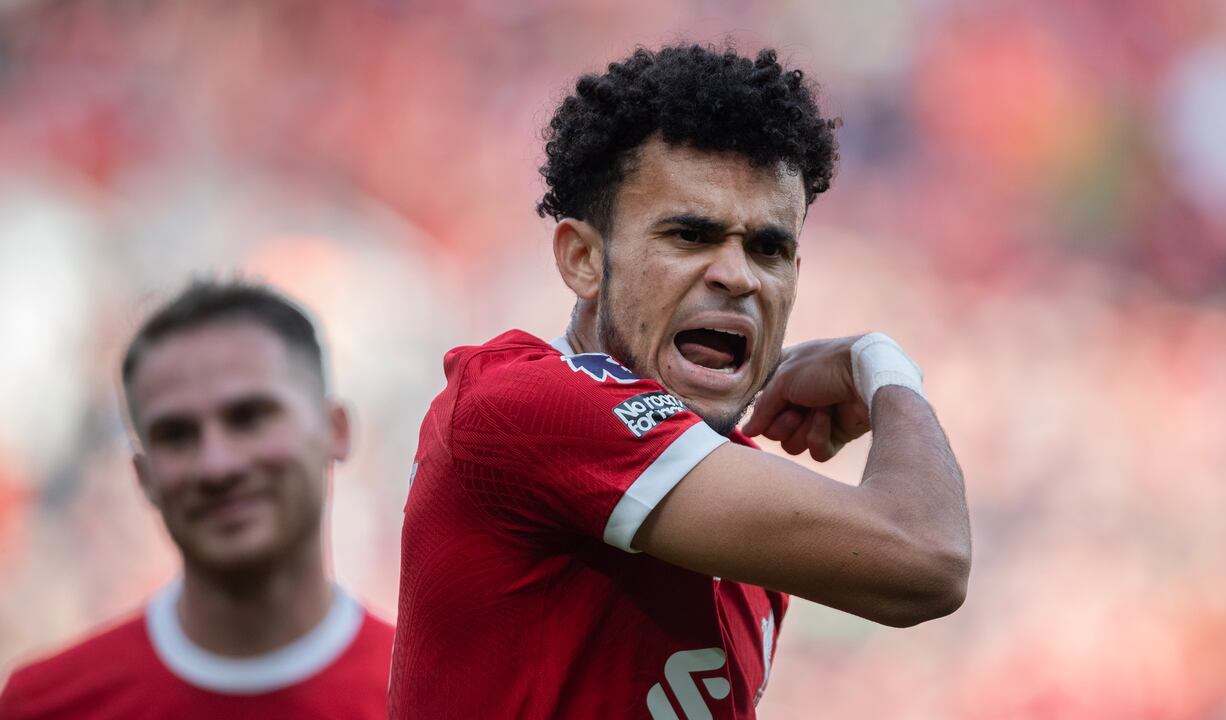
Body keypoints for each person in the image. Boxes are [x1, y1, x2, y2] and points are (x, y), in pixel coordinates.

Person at [390, 44, 971, 719]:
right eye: (691, 236)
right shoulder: (522, 404)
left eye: (769, 248)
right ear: (583, 260)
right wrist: (882, 364)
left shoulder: (739, 514)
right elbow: (927, 557)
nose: (738, 275)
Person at [0, 281, 394, 719]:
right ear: (143, 476)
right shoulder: (45, 705)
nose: (217, 465)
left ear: (335, 430)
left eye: (249, 418)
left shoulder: (432, 699)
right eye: (177, 435)